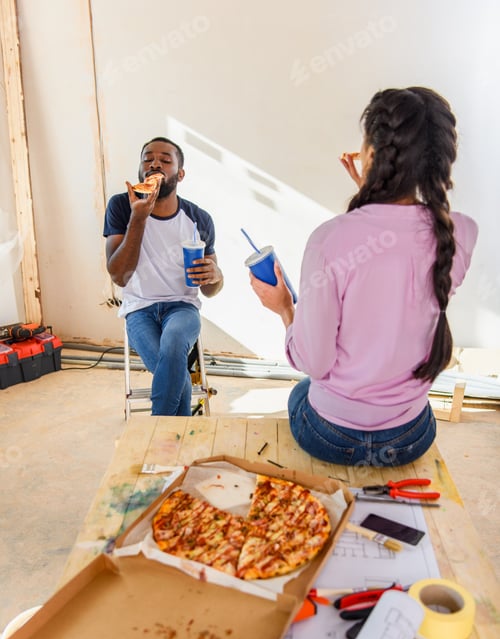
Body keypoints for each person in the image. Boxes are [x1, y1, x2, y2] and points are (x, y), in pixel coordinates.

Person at [250, 87, 478, 467]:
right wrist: (380, 199)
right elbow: (399, 253)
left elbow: (315, 361)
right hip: (411, 436)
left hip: (331, 438)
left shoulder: (330, 240)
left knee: (300, 393)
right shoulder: (461, 233)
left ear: (371, 155)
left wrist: (285, 309)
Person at [104, 137, 223, 415]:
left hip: (182, 306)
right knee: (173, 368)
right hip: (139, 309)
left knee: (173, 345)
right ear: (140, 169)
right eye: (147, 158)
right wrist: (138, 219)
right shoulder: (122, 207)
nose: (155, 163)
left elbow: (210, 290)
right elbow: (120, 276)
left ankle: (160, 439)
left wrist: (216, 275)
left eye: (165, 160)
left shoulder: (199, 219)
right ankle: (173, 445)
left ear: (180, 174)